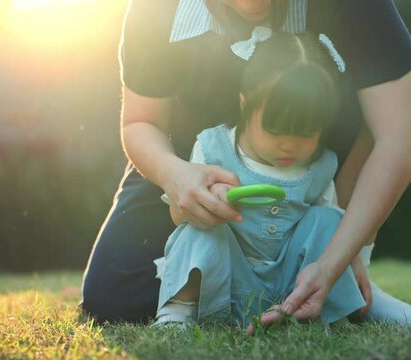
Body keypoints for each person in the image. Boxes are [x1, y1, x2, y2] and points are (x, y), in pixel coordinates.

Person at [81, 0, 411, 329]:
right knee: (114, 297)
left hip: (309, 171)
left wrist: (338, 255)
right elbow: (141, 123)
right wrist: (175, 175)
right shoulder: (156, 8)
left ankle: (341, 291)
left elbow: (396, 141)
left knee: (326, 235)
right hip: (183, 161)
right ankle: (226, 294)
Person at [153, 30, 366, 328]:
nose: (289, 145)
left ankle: (328, 312)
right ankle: (178, 311)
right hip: (227, 281)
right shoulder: (213, 149)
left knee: (329, 220)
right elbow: (179, 215)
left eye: (306, 133)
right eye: (276, 130)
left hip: (294, 287)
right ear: (245, 103)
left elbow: (328, 233)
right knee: (199, 227)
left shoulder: (320, 165)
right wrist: (207, 203)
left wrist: (352, 261)